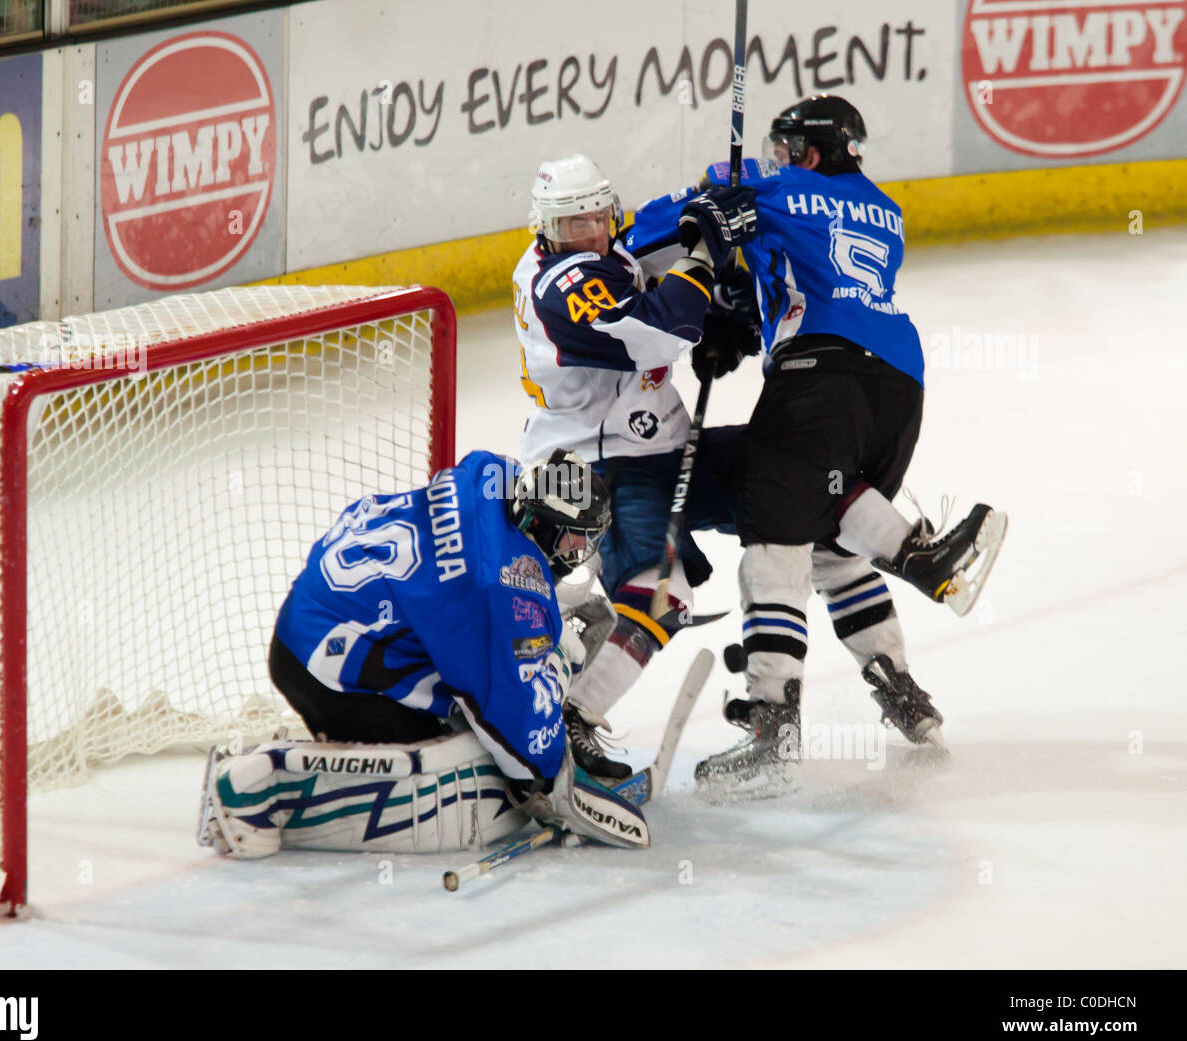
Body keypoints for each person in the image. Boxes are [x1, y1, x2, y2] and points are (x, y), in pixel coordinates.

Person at [626, 95, 1008, 794]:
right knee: (832, 538)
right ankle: (907, 695)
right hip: (898, 388)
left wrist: (710, 193)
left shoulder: (778, 189)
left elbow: (643, 239)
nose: (774, 158)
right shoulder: (882, 209)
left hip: (818, 381)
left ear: (806, 151)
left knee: (772, 546)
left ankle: (775, 729)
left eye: (784, 148)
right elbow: (786, 270)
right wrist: (737, 309)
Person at [197, 448, 654, 856]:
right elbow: (513, 724)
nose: (580, 554)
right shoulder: (500, 588)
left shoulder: (495, 475)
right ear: (541, 523)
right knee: (472, 771)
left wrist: (542, 619)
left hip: (317, 619)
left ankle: (321, 751)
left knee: (475, 704)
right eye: (574, 541)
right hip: (331, 668)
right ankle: (263, 790)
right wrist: (553, 773)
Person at [513, 154, 758, 781]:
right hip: (598, 466)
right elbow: (658, 331)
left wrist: (716, 194)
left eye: (599, 217)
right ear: (546, 232)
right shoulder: (562, 282)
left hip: (655, 444)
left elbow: (662, 221)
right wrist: (703, 265)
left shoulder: (604, 246)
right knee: (662, 593)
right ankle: (572, 717)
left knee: (786, 480)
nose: (592, 233)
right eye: (575, 227)